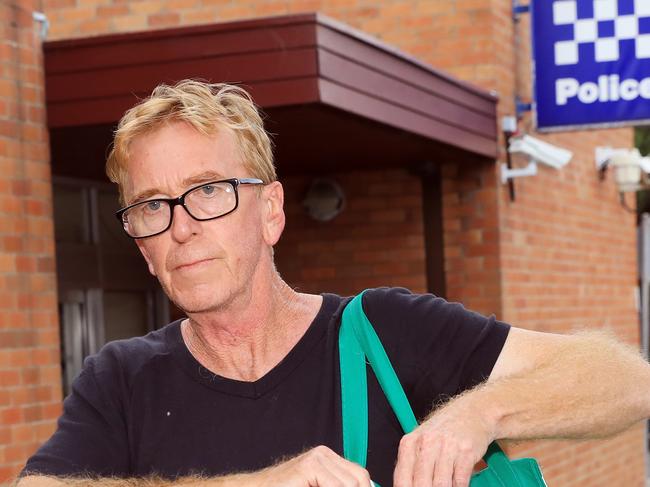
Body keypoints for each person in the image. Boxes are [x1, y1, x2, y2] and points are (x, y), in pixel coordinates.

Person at [17, 80, 650, 487]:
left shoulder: (386, 334)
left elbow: (627, 381)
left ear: (271, 211)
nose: (180, 225)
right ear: (141, 242)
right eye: (152, 205)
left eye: (207, 190)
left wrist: (477, 414)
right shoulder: (122, 381)